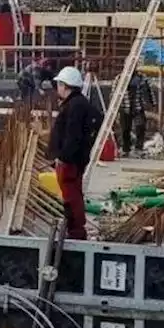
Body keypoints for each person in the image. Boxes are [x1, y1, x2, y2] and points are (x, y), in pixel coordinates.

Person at [47, 66, 95, 240]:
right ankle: (74, 229)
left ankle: (76, 232)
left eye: (59, 84)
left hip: (70, 161)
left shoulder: (75, 106)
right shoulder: (76, 103)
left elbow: (72, 135)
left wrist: (63, 157)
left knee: (71, 196)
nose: (57, 87)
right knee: (72, 194)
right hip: (72, 160)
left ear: (65, 85)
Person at [119, 71, 155, 157]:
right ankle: (126, 149)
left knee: (140, 126)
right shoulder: (120, 78)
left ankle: (138, 148)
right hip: (125, 107)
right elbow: (114, 92)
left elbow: (150, 90)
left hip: (138, 106)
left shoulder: (142, 78)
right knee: (125, 129)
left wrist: (153, 103)